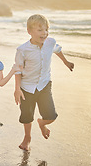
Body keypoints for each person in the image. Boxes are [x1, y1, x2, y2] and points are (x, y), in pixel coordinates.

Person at [14, 14, 74, 151]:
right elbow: (17, 70)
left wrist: (66, 62)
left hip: (44, 85)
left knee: (51, 116)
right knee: (27, 116)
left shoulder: (50, 42)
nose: (44, 33)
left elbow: (57, 50)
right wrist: (17, 89)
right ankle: (27, 138)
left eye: (46, 29)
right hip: (26, 88)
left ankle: (42, 123)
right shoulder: (22, 50)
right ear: (29, 31)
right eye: (40, 30)